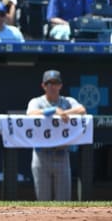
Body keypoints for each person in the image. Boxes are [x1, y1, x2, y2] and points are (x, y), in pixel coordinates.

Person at [26, 70, 86, 201]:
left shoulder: (67, 101)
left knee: (63, 202)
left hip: (62, 154)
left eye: (55, 83)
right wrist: (53, 111)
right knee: (43, 202)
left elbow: (82, 110)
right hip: (41, 155)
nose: (52, 87)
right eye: (49, 83)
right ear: (43, 85)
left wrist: (65, 112)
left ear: (60, 86)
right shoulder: (37, 101)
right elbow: (30, 114)